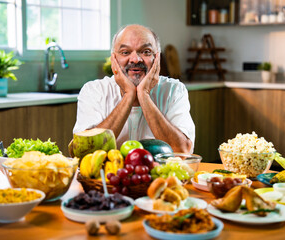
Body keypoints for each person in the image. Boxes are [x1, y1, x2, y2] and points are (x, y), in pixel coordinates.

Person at [73, 24, 195, 153]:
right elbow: (85, 152)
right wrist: (128, 95)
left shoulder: (174, 90)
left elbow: (182, 151)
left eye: (146, 52)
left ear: (157, 58)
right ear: (114, 59)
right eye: (125, 52)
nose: (135, 59)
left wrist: (144, 94)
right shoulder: (93, 91)